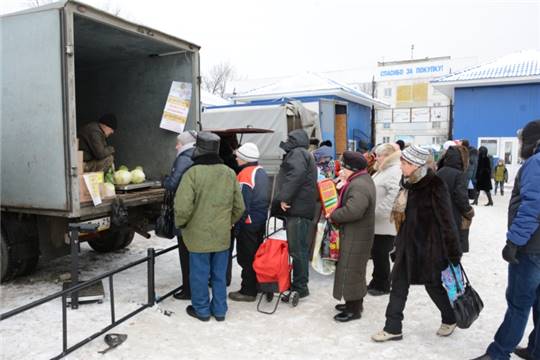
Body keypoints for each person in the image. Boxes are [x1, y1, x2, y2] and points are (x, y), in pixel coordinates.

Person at [371, 145, 461, 342]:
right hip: (406, 246)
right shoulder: (407, 183)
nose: (401, 166)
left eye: (405, 163)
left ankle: (450, 317)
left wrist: (453, 251)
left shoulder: (435, 184)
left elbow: (447, 220)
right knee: (398, 286)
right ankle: (393, 327)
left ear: (417, 165)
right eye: (402, 161)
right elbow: (402, 218)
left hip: (429, 247)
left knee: (433, 285)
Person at [474, 120, 540, 360]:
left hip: (531, 248)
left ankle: (498, 353)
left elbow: (534, 207)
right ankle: (536, 350)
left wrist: (514, 242)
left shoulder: (536, 163)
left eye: (522, 139)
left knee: (519, 303)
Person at [174, 132, 245, 322]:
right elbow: (240, 207)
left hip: (197, 235)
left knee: (199, 274)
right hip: (222, 234)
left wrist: (181, 224)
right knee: (219, 275)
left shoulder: (192, 173)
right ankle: (220, 310)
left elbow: (182, 207)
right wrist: (229, 221)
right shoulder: (229, 173)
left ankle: (202, 310)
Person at [273, 129, 317, 302]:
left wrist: (284, 198)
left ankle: (300, 287)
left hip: (297, 209)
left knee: (297, 250)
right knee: (301, 249)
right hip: (303, 208)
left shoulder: (297, 153)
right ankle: (300, 285)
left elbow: (295, 176)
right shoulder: (305, 153)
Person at [330, 151, 375, 322]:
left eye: (343, 168)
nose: (341, 170)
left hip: (356, 234)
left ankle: (353, 309)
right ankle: (354, 302)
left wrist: (334, 215)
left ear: (352, 169)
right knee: (354, 269)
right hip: (358, 233)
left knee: (351, 270)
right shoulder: (362, 179)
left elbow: (353, 211)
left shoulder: (358, 185)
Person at [229, 143, 269, 302]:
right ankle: (257, 285)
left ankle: (248, 290)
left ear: (244, 159)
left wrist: (235, 224)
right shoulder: (261, 171)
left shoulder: (245, 174)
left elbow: (242, 204)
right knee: (256, 254)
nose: (236, 158)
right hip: (259, 220)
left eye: (238, 156)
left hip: (248, 222)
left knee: (247, 257)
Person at [162, 131, 197, 300]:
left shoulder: (184, 157)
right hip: (196, 211)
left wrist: (164, 181)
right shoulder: (196, 155)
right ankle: (194, 287)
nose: (176, 146)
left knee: (185, 253)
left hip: (185, 212)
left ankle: (188, 290)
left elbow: (173, 183)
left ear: (185, 144)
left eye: (178, 143)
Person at [367, 143, 401, 296]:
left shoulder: (394, 171)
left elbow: (394, 195)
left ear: (388, 156)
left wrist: (379, 212)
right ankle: (377, 280)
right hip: (377, 221)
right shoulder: (383, 170)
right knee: (376, 253)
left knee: (381, 253)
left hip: (385, 222)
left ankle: (384, 284)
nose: (377, 157)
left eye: (380, 155)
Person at [437, 145, 475, 253]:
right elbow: (461, 197)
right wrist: (469, 211)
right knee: (453, 253)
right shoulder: (459, 175)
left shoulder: (440, 172)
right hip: (454, 218)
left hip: (439, 217)